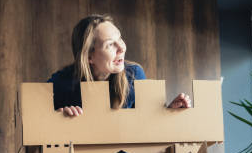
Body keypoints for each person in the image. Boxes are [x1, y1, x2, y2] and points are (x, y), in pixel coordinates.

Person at [48, 14, 191, 116]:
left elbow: (149, 124)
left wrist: (170, 111)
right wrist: (57, 117)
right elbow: (37, 121)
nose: (122, 48)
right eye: (110, 45)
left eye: (120, 38)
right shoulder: (61, 82)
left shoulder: (133, 75)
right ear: (88, 57)